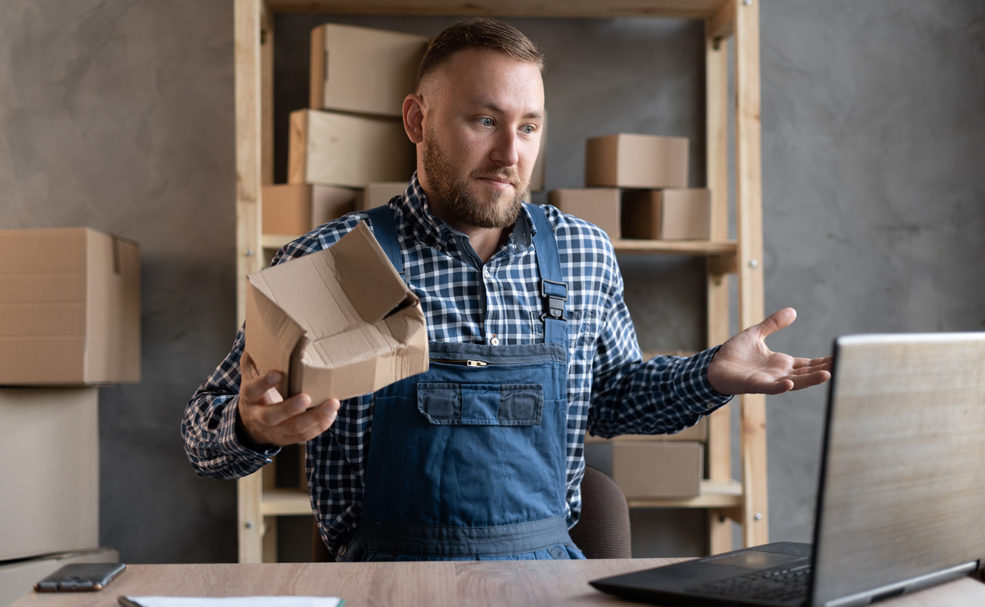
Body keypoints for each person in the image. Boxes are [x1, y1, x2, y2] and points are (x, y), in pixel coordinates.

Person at [182, 17, 831, 562]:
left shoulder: (583, 254)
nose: (510, 154)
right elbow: (200, 434)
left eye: (527, 127)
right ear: (417, 119)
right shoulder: (329, 261)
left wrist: (710, 375)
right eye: (484, 120)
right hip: (387, 586)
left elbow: (610, 399)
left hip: (547, 584)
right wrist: (251, 424)